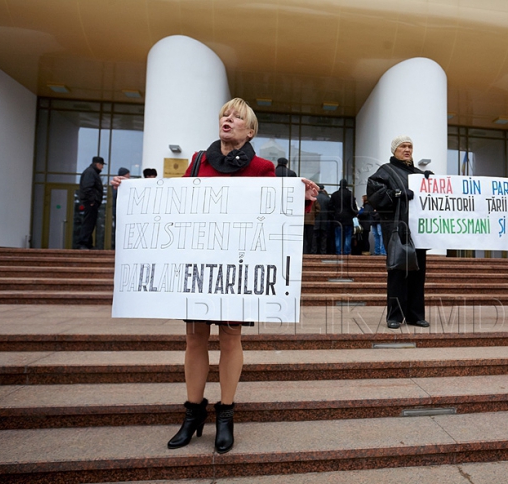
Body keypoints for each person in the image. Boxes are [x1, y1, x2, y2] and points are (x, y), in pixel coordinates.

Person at [110, 98, 318, 454]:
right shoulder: (197, 161)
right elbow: (175, 201)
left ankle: (225, 413)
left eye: (237, 117)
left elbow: (272, 213)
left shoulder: (263, 167)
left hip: (236, 270)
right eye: (225, 114)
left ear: (249, 131)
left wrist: (304, 200)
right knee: (194, 339)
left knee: (230, 338)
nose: (228, 119)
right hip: (199, 268)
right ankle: (192, 415)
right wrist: (134, 192)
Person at [366, 135, 431, 329]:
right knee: (397, 272)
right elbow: (374, 195)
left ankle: (415, 315)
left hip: (418, 231)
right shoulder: (385, 171)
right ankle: (395, 316)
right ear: (394, 150)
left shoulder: (420, 174)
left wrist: (432, 182)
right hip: (397, 230)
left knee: (418, 274)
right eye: (403, 146)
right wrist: (397, 194)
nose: (407, 149)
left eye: (410, 146)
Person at [77, 156, 105, 249]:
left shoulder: (91, 172)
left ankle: (87, 243)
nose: (102, 167)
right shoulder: (90, 172)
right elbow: (87, 187)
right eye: (102, 165)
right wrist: (92, 200)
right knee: (88, 222)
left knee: (90, 222)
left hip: (91, 202)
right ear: (97, 164)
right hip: (90, 203)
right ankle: (84, 243)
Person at [330, 179, 358, 255]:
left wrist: (334, 215)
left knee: (338, 236)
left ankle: (338, 252)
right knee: (348, 236)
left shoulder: (334, 195)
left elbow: (330, 207)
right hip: (348, 218)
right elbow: (353, 207)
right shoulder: (350, 194)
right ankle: (346, 252)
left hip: (337, 218)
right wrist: (355, 213)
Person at [312, 185, 332, 254]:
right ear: (323, 189)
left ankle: (314, 251)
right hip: (324, 219)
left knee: (314, 236)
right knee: (323, 236)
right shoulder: (327, 198)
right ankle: (323, 251)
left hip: (315, 219)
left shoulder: (314, 197)